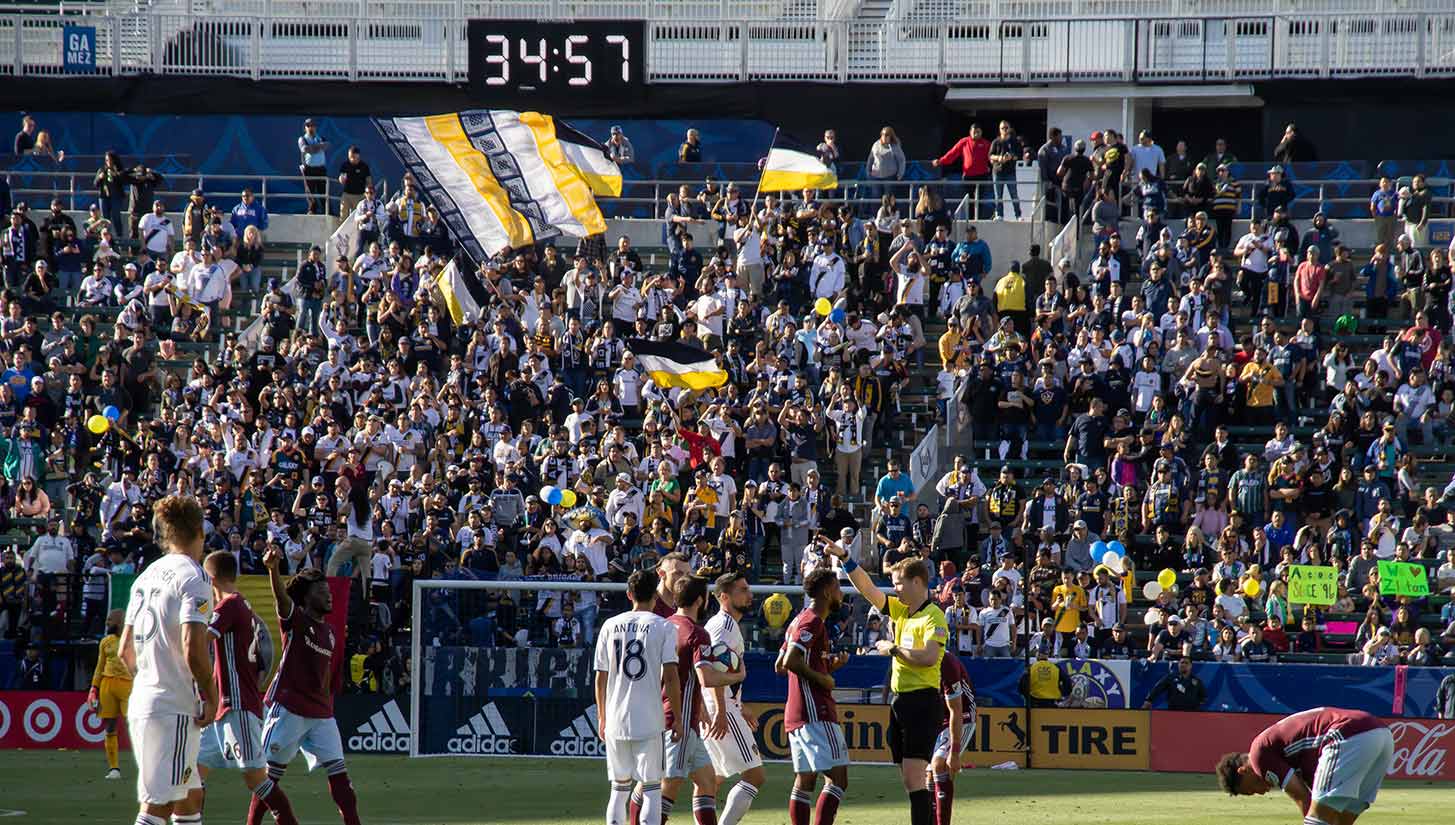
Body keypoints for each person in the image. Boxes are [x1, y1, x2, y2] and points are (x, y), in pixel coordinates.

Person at [826, 543, 946, 825]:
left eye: (899, 584)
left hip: (922, 701)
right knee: (910, 777)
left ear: (917, 582)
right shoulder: (902, 611)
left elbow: (929, 658)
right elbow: (868, 590)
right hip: (900, 701)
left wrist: (892, 649)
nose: (896, 590)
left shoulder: (934, 616)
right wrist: (845, 558)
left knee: (914, 777)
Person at [117, 495, 216, 825]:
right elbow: (193, 646)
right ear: (199, 533)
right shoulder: (195, 576)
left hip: (146, 700)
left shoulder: (146, 576)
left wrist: (150, 681)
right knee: (156, 807)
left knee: (189, 797)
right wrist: (210, 694)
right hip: (172, 706)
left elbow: (125, 651)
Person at [258, 545, 362, 825]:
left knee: (342, 779)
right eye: (321, 592)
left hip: (320, 712)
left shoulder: (329, 632)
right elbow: (281, 599)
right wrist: (273, 569)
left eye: (328, 591)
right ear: (305, 598)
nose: (328, 595)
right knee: (267, 780)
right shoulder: (296, 620)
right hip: (289, 708)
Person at [198, 550, 297, 824]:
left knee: (256, 779)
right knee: (193, 772)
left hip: (237, 704)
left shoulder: (228, 605)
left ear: (211, 578)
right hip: (223, 707)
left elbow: (200, 641)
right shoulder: (244, 605)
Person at [595, 569, 681, 825]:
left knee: (619, 789)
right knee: (652, 788)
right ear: (655, 595)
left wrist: (602, 717)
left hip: (616, 719)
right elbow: (672, 676)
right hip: (649, 718)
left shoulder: (610, 625)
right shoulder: (664, 626)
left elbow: (600, 677)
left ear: (629, 594)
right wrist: (676, 717)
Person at [1216, 707, 1394, 825]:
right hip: (1381, 734)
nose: (1262, 792)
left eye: (1252, 790)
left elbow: (1302, 797)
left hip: (1346, 735)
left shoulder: (1258, 757)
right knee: (1342, 820)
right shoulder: (1292, 758)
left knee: (1319, 816)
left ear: (1243, 771)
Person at [773, 567, 849, 825]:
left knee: (805, 780)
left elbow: (779, 665)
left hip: (796, 711)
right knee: (838, 778)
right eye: (838, 589)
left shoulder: (799, 619)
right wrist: (823, 678)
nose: (841, 594)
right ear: (828, 592)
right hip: (815, 710)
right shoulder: (812, 620)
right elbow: (791, 661)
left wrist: (829, 666)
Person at [661, 575, 739, 825]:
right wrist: (738, 675)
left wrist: (702, 706)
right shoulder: (698, 633)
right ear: (700, 600)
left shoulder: (666, 624)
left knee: (706, 780)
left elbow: (681, 675)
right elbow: (706, 679)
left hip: (678, 716)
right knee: (668, 785)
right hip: (679, 722)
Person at [703, 572, 765, 825]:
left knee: (712, 779)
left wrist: (740, 707)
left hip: (720, 706)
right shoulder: (724, 626)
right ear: (724, 597)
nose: (749, 595)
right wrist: (723, 709)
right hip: (721, 708)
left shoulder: (722, 625)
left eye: (748, 589)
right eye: (743, 590)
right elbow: (714, 668)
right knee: (755, 775)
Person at [928, 651, 974, 825]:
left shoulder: (946, 661)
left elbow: (957, 709)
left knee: (940, 765)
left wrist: (954, 753)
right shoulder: (916, 658)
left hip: (962, 716)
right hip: (937, 718)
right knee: (927, 776)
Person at [88, 608, 133, 779]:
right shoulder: (105, 642)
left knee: (136, 724)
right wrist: (94, 688)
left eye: (110, 620)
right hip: (107, 684)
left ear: (120, 622)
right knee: (110, 726)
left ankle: (147, 764)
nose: (107, 623)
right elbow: (100, 667)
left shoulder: (132, 639)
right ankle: (114, 768)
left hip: (127, 686)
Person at [1141, 656, 1206, 710]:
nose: (1183, 665)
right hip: (1173, 712)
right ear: (1178, 664)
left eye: (1186, 663)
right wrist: (1148, 700)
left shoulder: (1197, 681)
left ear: (1191, 666)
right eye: (1181, 662)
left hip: (1191, 713)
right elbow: (1157, 688)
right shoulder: (1170, 678)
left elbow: (1203, 697)